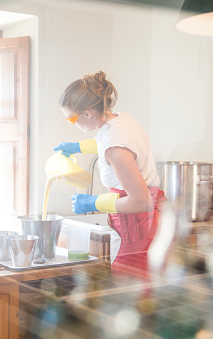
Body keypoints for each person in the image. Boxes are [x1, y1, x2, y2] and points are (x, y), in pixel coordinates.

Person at [54, 71, 167, 274]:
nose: (71, 124)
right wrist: (78, 146)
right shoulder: (122, 120)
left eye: (70, 119)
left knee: (133, 296)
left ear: (87, 113)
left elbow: (142, 202)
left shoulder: (115, 148)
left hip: (136, 228)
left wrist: (93, 202)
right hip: (148, 223)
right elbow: (108, 141)